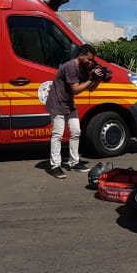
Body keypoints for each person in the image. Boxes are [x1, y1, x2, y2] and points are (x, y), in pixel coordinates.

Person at [45, 44, 102, 179]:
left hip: (69, 103)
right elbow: (75, 89)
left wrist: (97, 79)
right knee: (58, 134)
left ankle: (74, 162)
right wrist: (90, 79)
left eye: (92, 60)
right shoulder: (71, 66)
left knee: (76, 131)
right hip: (57, 103)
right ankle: (55, 165)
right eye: (88, 59)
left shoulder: (83, 67)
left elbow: (90, 89)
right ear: (80, 55)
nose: (90, 62)